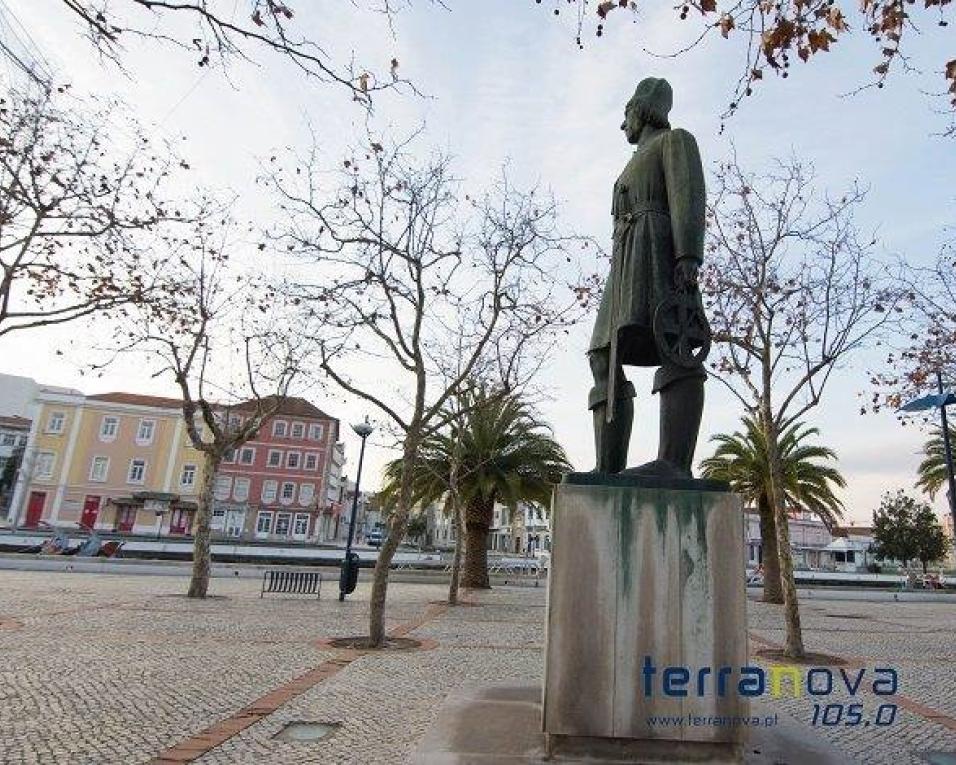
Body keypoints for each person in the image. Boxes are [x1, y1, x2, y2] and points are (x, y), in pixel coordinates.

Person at [588, 77, 708, 477]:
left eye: (626, 113)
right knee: (603, 354)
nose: (623, 125)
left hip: (656, 248)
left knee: (677, 340)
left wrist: (688, 254)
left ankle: (674, 463)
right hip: (624, 260)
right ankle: (608, 469)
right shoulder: (634, 157)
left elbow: (687, 195)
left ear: (642, 108)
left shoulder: (674, 142)